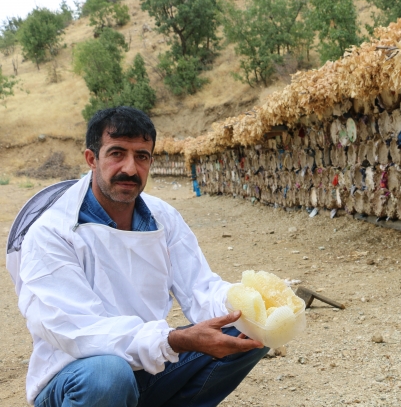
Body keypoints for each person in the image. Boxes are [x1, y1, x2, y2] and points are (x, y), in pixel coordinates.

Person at [6, 106, 267, 407]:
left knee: (255, 328)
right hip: (76, 373)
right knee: (108, 375)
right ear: (92, 159)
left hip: (148, 361)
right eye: (117, 153)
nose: (130, 168)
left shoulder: (163, 217)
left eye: (141, 156)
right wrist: (172, 340)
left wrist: (251, 302)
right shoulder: (52, 231)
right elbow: (79, 333)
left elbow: (201, 289)